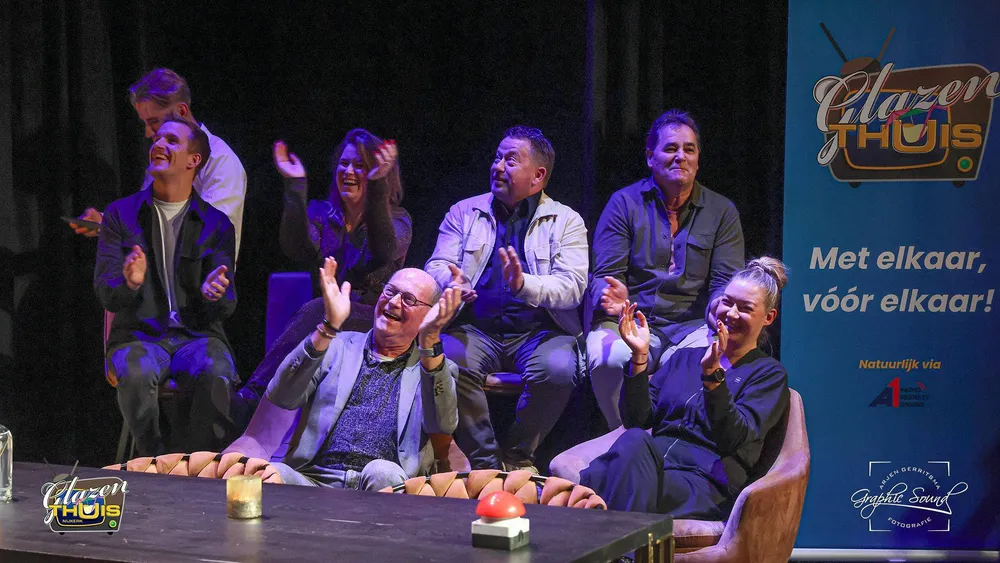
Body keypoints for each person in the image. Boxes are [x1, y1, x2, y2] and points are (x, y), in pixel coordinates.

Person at [571, 258, 790, 518]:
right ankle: (627, 541)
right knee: (631, 444)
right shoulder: (684, 358)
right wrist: (639, 357)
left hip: (703, 483)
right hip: (650, 467)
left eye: (745, 308)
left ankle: (619, 541)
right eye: (727, 302)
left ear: (768, 317)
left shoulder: (768, 374)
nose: (731, 313)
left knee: (607, 474)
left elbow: (733, 438)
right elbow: (637, 419)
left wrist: (713, 377)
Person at [425, 126, 588, 472]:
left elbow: (573, 286)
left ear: (538, 176)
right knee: (447, 361)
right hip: (475, 329)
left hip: (539, 333)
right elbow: (436, 265)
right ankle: (485, 463)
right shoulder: (464, 212)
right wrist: (453, 281)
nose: (498, 166)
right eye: (497, 157)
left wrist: (524, 284)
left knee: (559, 369)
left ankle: (517, 456)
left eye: (510, 160)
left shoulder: (566, 221)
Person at [224, 263, 463, 491]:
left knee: (383, 472)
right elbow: (282, 395)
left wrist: (430, 341)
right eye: (390, 291)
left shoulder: (433, 369)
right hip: (314, 479)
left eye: (408, 299)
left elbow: (442, 424)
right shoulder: (334, 346)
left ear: (429, 315)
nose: (393, 302)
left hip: (383, 485)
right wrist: (328, 328)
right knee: (272, 475)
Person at [232, 131, 410, 421]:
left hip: (373, 319)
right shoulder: (323, 214)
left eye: (360, 166)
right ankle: (262, 409)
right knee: (318, 311)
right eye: (344, 164)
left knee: (317, 309)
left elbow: (383, 251)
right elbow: (296, 247)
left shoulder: (398, 219)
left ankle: (253, 395)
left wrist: (377, 187)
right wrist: (295, 185)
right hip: (326, 318)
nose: (348, 171)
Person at [587, 109, 745, 429]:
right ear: (650, 157)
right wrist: (610, 296)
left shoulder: (721, 211)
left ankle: (668, 444)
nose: (680, 157)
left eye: (689, 149)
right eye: (671, 148)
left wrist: (720, 314)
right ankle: (620, 437)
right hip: (632, 318)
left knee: (707, 361)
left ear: (698, 159)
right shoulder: (624, 203)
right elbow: (605, 276)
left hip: (692, 325)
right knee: (608, 358)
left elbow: (724, 285)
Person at [95, 118, 239, 457]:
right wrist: (130, 283)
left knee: (219, 370)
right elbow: (105, 293)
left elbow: (227, 304)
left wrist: (214, 294)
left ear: (193, 160)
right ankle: (152, 460)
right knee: (136, 371)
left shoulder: (217, 223)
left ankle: (197, 465)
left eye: (171, 140)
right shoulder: (120, 215)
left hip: (197, 336)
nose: (158, 144)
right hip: (139, 336)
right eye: (157, 138)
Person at [73, 68, 247, 258]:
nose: (148, 133)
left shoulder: (221, 162)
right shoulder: (162, 159)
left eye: (154, 121)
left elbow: (209, 236)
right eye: (145, 123)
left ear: (181, 111)